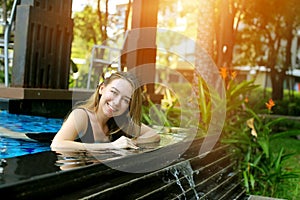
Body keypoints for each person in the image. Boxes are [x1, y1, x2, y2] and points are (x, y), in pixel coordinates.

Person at [51, 71, 160, 151]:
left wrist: (130, 142)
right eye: (114, 92)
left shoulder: (120, 123)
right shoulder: (81, 115)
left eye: (125, 100)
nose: (117, 102)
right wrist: (111, 146)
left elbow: (153, 135)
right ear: (102, 89)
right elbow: (57, 144)